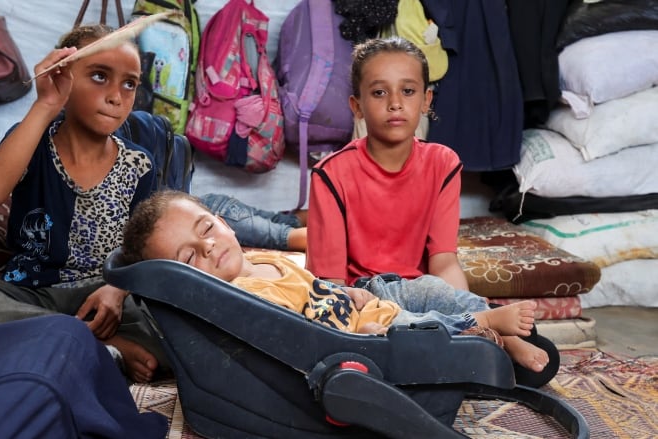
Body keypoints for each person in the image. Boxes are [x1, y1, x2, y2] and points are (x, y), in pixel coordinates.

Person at [0, 25, 164, 383]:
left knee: (178, 332)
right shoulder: (33, 142)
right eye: (99, 76)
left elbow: (146, 250)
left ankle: (57, 338)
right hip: (30, 296)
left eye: (129, 83)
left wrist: (117, 290)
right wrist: (46, 103)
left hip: (106, 300)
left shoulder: (140, 164)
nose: (116, 95)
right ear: (61, 76)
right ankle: (82, 339)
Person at [304, 37, 557, 386]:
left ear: (426, 100)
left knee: (440, 297)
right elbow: (328, 284)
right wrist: (354, 314)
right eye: (379, 93)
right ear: (356, 105)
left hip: (419, 289)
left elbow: (444, 261)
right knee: (399, 327)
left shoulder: (443, 163)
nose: (395, 104)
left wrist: (466, 302)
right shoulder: (330, 175)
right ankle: (472, 336)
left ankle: (498, 336)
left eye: (408, 91)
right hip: (364, 296)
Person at [120, 191, 543, 360]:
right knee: (412, 328)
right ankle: (486, 328)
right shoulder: (242, 299)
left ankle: (488, 320)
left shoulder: (271, 261)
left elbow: (314, 291)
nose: (209, 248)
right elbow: (299, 334)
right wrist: (361, 330)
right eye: (190, 258)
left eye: (207, 229)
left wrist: (348, 295)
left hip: (360, 303)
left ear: (224, 222)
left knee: (429, 288)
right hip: (358, 334)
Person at [198, 193, 307, 251]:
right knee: (284, 222)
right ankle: (323, 218)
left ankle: (324, 239)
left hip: (216, 213)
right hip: (210, 202)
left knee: (283, 237)